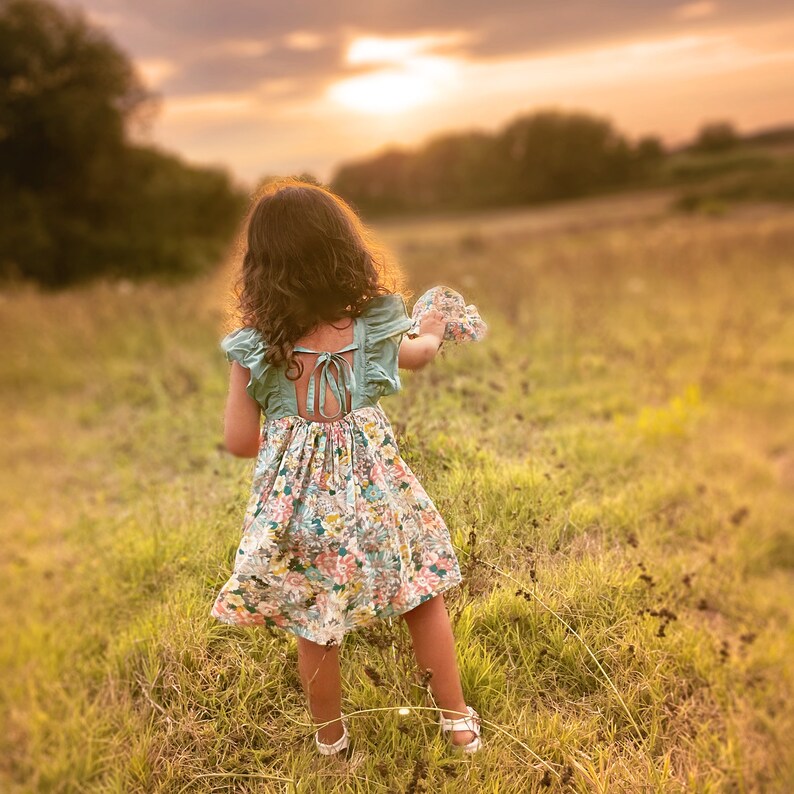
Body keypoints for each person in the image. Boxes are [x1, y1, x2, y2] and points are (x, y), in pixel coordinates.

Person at [210, 178, 482, 756]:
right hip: (377, 498)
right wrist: (432, 321)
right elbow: (424, 356)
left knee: (317, 618)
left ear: (261, 268)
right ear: (344, 251)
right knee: (420, 594)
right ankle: (456, 721)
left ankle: (332, 744)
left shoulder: (255, 348)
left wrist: (291, 438)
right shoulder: (371, 328)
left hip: (303, 509)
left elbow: (237, 441)